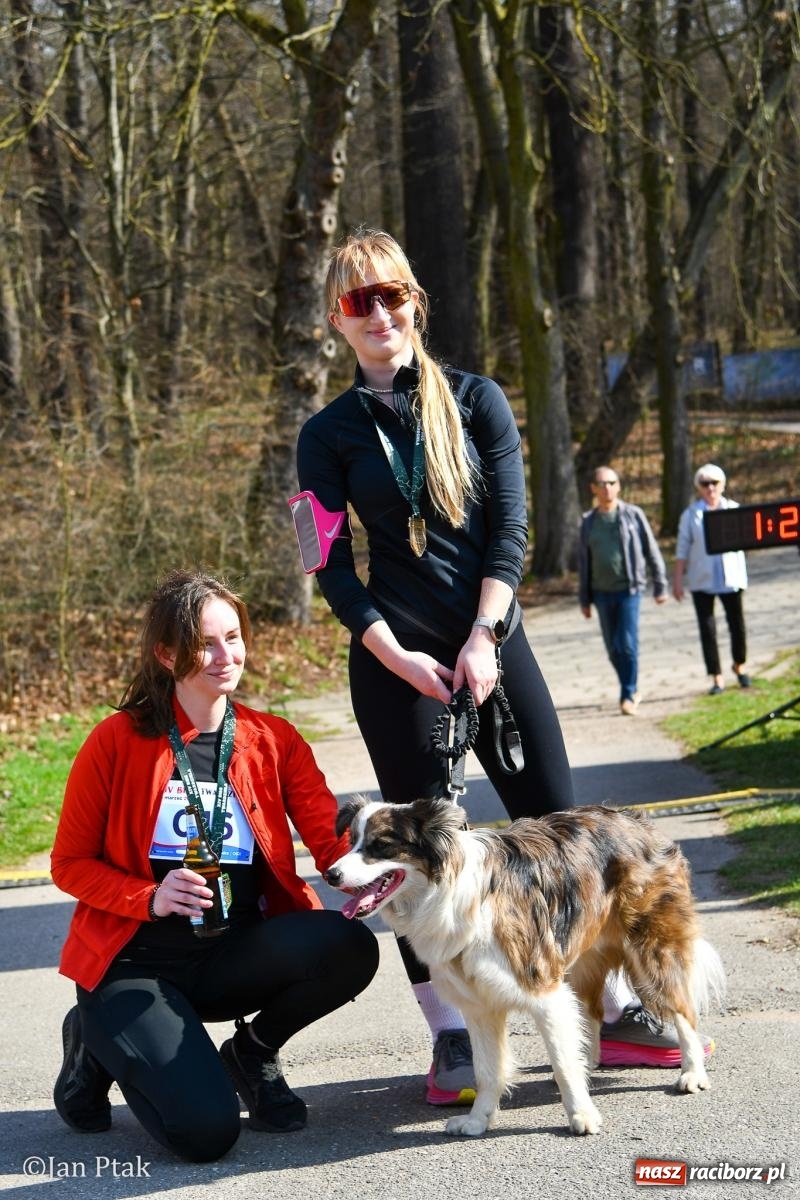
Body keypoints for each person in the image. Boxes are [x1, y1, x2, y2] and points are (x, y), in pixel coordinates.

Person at [294, 228, 705, 1094]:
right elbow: (327, 566)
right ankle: (451, 1037)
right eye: (358, 300)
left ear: (416, 301)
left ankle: (614, 1006)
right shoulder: (325, 435)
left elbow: (509, 533)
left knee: (564, 828)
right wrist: (398, 656)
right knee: (412, 856)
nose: (379, 313)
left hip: (493, 642)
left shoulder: (478, 401)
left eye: (391, 295)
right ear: (338, 318)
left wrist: (484, 636)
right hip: (394, 664)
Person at [51, 570, 379, 1163]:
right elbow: (69, 864)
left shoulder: (273, 739)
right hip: (135, 965)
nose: (226, 657)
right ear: (166, 652)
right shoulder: (115, 741)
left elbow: (332, 835)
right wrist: (147, 897)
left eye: (234, 637)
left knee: (348, 944)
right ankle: (91, 1043)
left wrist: (386, 866)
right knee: (206, 1135)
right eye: (205, 643)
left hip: (230, 951)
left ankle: (251, 1052)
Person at [578, 467, 668, 715]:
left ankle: (628, 693)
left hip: (629, 590)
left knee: (626, 644)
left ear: (619, 486)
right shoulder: (588, 522)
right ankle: (630, 685)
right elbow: (584, 562)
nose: (607, 488)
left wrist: (661, 584)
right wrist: (584, 599)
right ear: (593, 489)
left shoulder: (633, 515)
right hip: (601, 593)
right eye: (602, 483)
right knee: (612, 649)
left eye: (612, 482)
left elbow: (651, 551)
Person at [673, 463, 751, 694]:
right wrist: (677, 580)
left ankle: (740, 665)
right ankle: (716, 676)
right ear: (699, 487)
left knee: (737, 625)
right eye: (705, 483)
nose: (710, 488)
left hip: (731, 578)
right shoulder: (690, 515)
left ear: (723, 485)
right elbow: (682, 549)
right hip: (702, 580)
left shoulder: (734, 509)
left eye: (714, 483)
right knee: (708, 629)